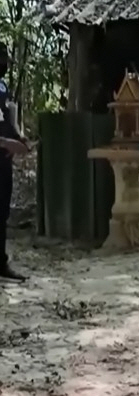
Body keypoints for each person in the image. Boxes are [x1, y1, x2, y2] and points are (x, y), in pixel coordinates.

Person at [0, 41, 28, 282]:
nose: (5, 62)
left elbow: (7, 116)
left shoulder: (2, 86)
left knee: (2, 211)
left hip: (4, 159)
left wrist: (17, 136)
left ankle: (1, 262)